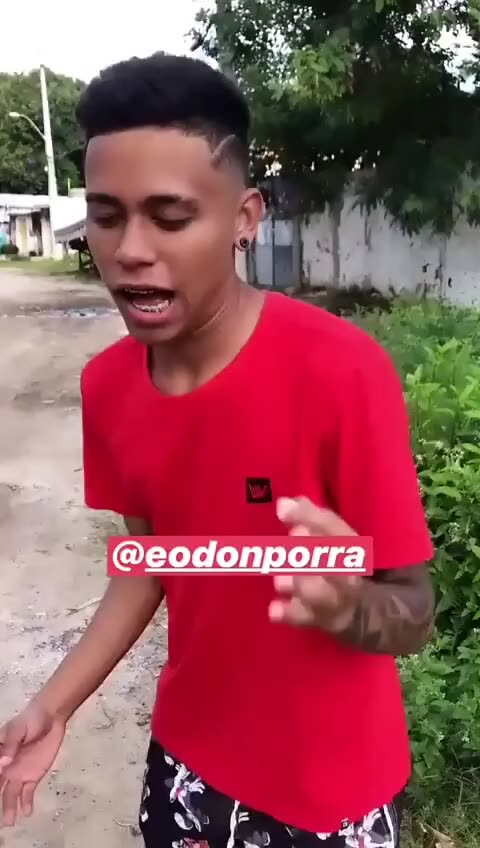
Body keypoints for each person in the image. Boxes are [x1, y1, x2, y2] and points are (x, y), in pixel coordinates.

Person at [0, 52, 435, 848]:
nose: (130, 249)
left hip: (332, 796)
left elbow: (413, 608)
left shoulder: (341, 372)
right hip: (189, 774)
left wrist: (351, 607)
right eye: (106, 216)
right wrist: (53, 705)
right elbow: (150, 563)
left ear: (244, 218)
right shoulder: (108, 385)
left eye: (170, 219)